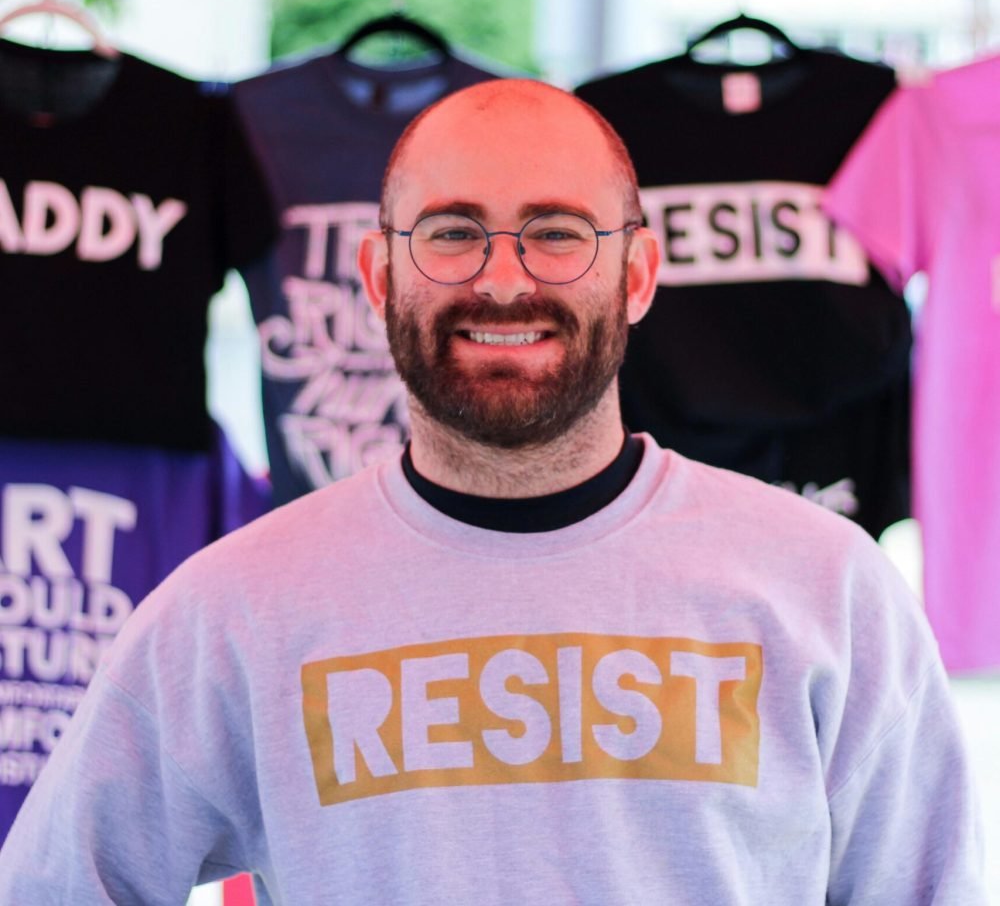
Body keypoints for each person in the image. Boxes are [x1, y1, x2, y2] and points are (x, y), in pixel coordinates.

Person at [0, 80, 985, 905]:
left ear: (635, 275)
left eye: (556, 233)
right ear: (378, 276)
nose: (503, 281)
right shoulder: (236, 607)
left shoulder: (824, 587)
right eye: (451, 233)